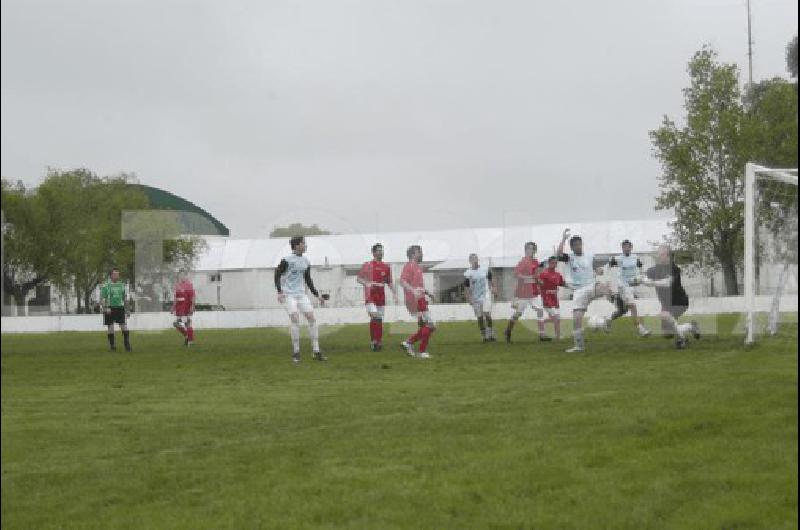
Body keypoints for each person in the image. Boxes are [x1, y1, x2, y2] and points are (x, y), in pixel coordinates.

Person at [557, 228, 613, 353]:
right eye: (575, 245)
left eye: (579, 244)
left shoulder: (589, 256)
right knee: (576, 318)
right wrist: (563, 239)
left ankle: (608, 320)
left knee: (606, 289)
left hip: (592, 285)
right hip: (579, 291)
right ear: (571, 247)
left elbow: (595, 267)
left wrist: (598, 270)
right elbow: (558, 255)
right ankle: (579, 346)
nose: (578, 247)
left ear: (582, 244)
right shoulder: (569, 258)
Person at [636, 245, 700, 349]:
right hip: (666, 304)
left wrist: (651, 282)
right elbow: (643, 276)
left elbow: (667, 283)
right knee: (667, 333)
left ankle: (681, 340)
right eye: (659, 254)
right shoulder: (655, 269)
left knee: (665, 315)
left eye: (662, 255)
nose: (659, 257)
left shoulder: (674, 269)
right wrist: (637, 279)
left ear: (668, 256)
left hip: (679, 301)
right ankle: (691, 327)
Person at [275, 236, 327, 363]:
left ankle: (316, 351)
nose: (306, 245)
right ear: (297, 245)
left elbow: (308, 280)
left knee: (312, 318)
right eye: (304, 243)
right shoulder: (286, 260)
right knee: (295, 319)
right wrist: (280, 292)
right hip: (288, 295)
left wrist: (317, 295)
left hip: (301, 294)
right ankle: (296, 352)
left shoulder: (306, 261)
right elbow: (276, 275)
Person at [505, 242, 549, 343]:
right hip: (524, 292)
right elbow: (516, 274)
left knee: (540, 310)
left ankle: (542, 335)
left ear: (535, 250)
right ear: (525, 250)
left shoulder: (536, 262)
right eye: (528, 249)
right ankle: (508, 330)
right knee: (518, 313)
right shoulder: (523, 262)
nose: (530, 250)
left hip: (534, 292)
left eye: (532, 249)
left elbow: (536, 275)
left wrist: (540, 282)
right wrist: (527, 278)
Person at [607, 240, 651, 337]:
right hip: (623, 286)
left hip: (631, 285)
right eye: (624, 247)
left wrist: (640, 277)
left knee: (622, 311)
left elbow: (640, 268)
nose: (626, 248)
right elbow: (608, 267)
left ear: (631, 248)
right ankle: (641, 329)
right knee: (632, 306)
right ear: (622, 248)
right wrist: (609, 284)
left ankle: (608, 321)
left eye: (628, 247)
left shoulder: (635, 258)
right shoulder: (618, 258)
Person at [357, 243, 396, 351]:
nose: (381, 252)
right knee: (376, 317)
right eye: (378, 250)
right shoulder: (367, 265)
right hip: (370, 296)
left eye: (382, 250)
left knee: (378, 320)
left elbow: (389, 282)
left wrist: (394, 293)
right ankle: (376, 342)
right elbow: (359, 279)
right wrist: (367, 283)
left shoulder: (386, 267)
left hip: (381, 297)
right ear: (373, 252)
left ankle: (376, 341)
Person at [399, 245, 435, 359]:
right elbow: (402, 281)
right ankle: (417, 348)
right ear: (413, 254)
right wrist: (413, 291)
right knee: (430, 325)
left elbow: (418, 285)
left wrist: (428, 293)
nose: (422, 254)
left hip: (421, 299)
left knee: (428, 326)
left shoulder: (417, 267)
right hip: (415, 300)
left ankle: (412, 345)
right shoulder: (409, 266)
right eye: (420, 252)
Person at [463, 253, 498, 342]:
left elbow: (491, 279)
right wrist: (468, 298)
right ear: (470, 261)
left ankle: (490, 335)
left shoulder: (484, 269)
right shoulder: (468, 273)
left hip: (486, 295)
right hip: (475, 298)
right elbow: (466, 287)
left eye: (475, 259)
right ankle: (484, 336)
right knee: (479, 317)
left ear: (478, 260)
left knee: (487, 315)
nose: (474, 260)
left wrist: (494, 288)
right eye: (472, 259)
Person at [100, 268, 131, 352]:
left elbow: (125, 298)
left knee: (123, 326)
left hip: (120, 307)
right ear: (111, 275)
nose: (117, 275)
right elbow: (102, 298)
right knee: (110, 327)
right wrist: (105, 308)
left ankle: (127, 344)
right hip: (109, 308)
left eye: (118, 274)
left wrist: (127, 309)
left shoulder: (122, 285)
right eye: (115, 274)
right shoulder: (105, 285)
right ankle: (112, 346)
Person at [538, 256, 566, 340]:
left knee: (557, 318)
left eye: (555, 263)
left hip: (555, 298)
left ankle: (541, 321)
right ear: (549, 263)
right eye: (552, 263)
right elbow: (539, 284)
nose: (554, 264)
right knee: (556, 317)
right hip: (546, 298)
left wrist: (573, 285)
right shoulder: (544, 274)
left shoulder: (558, 274)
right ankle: (558, 336)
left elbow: (562, 283)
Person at [172, 271, 196, 347]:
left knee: (187, 323)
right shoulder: (178, 285)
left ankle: (190, 341)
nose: (182, 277)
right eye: (180, 275)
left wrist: (192, 306)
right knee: (176, 324)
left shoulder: (189, 285)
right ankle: (187, 336)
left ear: (186, 276)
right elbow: (176, 297)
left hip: (187, 306)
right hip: (179, 308)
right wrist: (173, 307)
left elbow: (193, 297)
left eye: (183, 275)